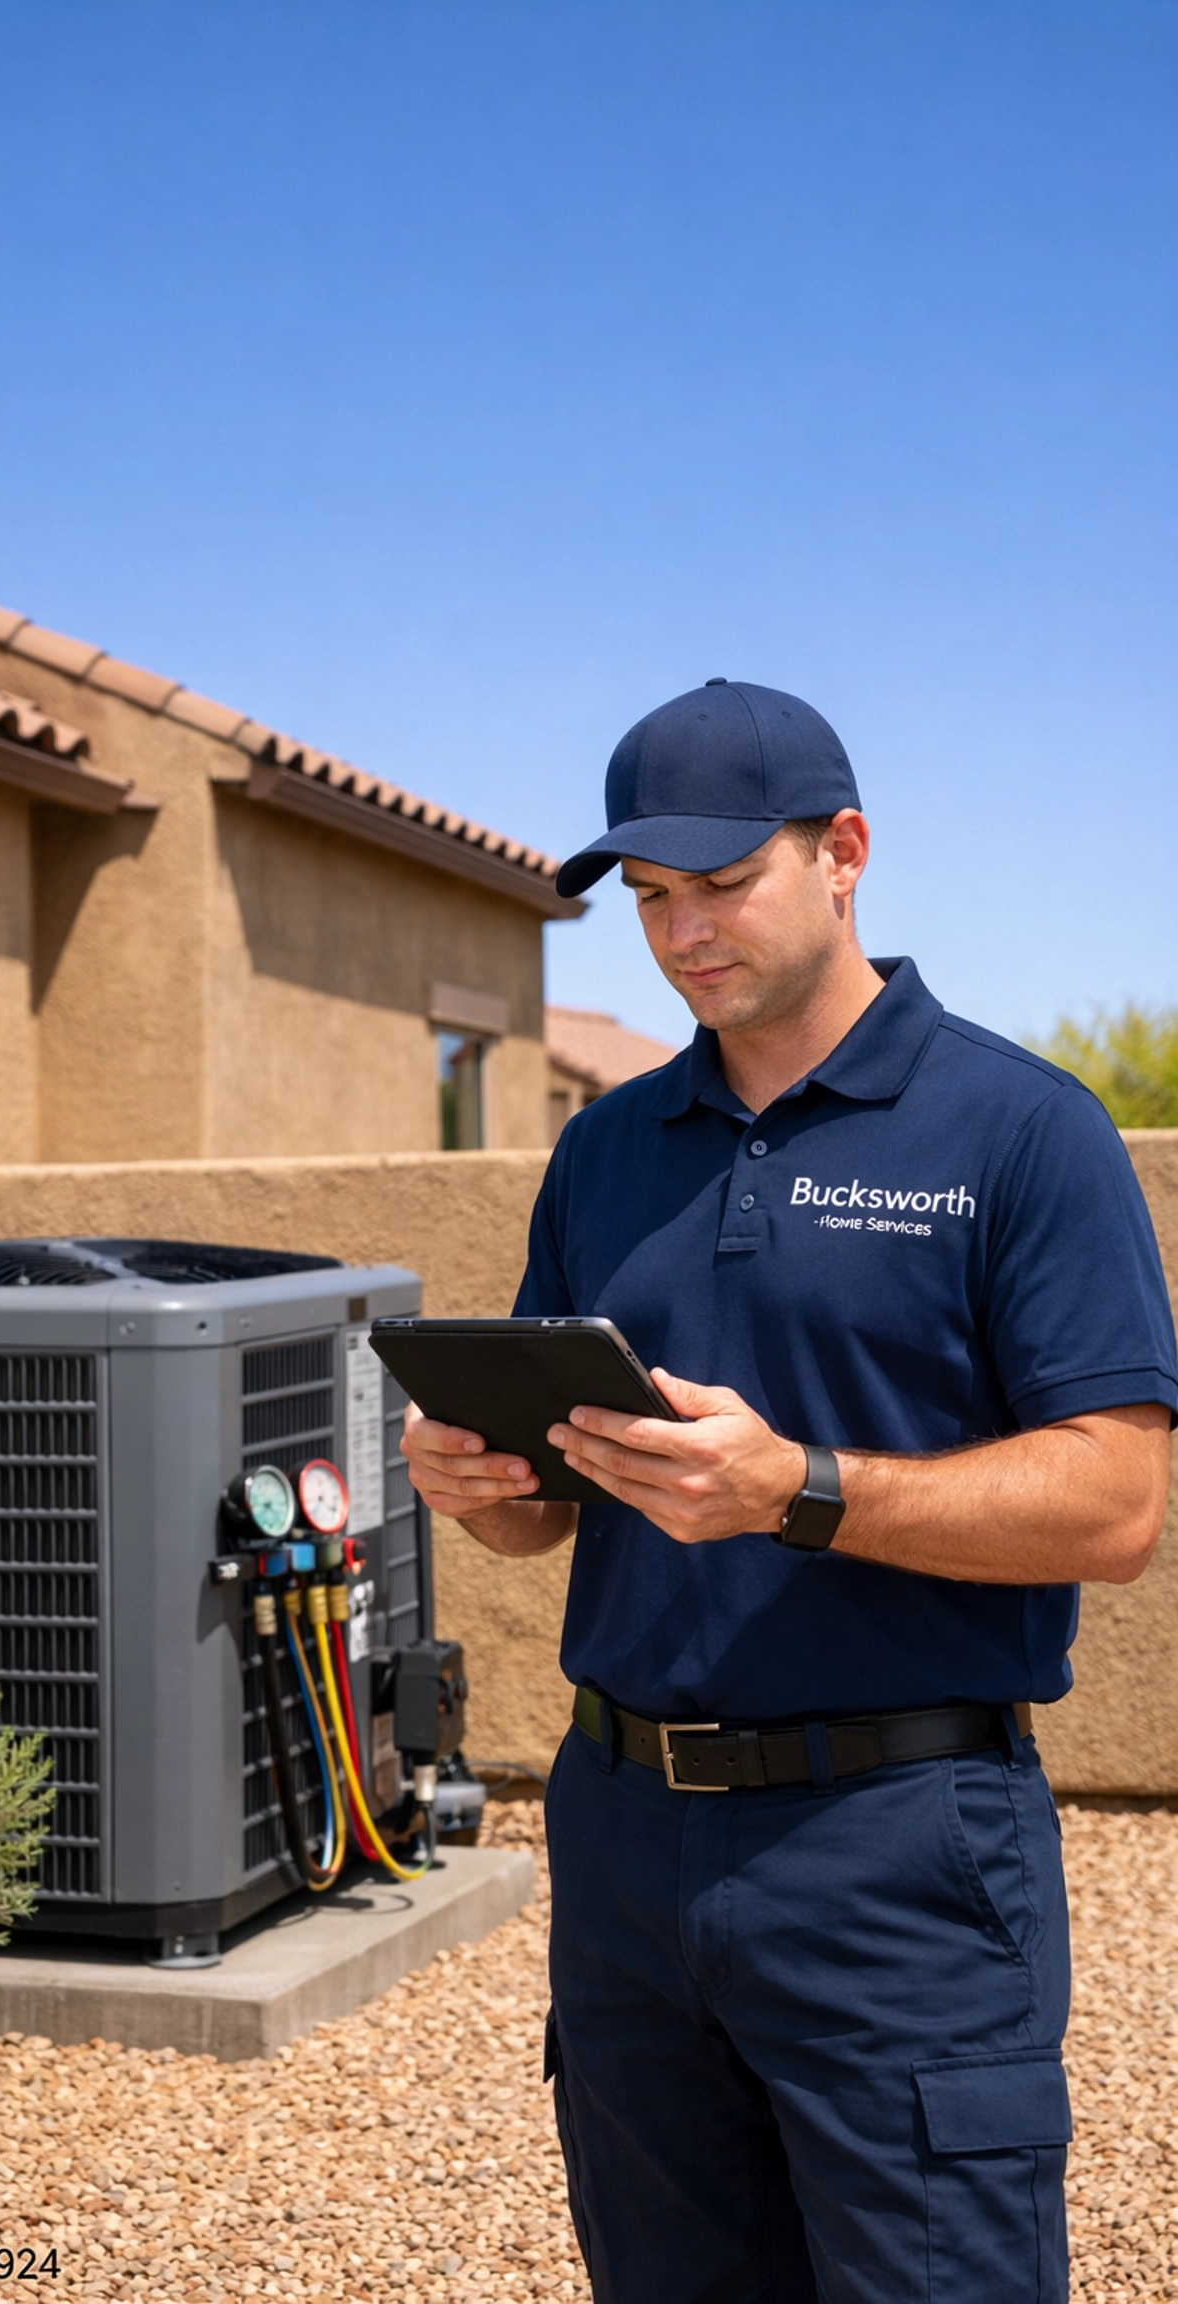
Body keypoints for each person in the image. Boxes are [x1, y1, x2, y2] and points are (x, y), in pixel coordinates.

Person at [400, 679, 1176, 2304]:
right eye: (651, 899)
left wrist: (796, 1490)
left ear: (845, 854)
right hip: (621, 1840)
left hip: (899, 1848)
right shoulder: (609, 1149)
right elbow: (559, 1510)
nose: (683, 934)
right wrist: (483, 1486)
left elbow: (1116, 1506)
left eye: (720, 882)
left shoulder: (1024, 1131)